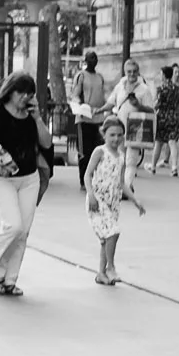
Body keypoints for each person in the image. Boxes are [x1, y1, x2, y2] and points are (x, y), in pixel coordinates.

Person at [0, 71, 52, 298]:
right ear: (11, 92)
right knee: (13, 226)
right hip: (3, 180)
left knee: (24, 232)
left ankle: (10, 280)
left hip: (29, 179)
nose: (25, 98)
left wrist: (38, 117)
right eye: (21, 93)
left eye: (29, 94)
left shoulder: (31, 117)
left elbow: (46, 143)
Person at [84, 112, 146, 284]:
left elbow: (121, 183)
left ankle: (101, 273)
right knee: (113, 232)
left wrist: (135, 200)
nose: (116, 138)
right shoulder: (100, 152)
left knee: (106, 238)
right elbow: (87, 175)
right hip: (97, 200)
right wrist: (91, 195)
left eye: (119, 135)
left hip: (113, 202)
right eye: (112, 135)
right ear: (103, 134)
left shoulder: (121, 156)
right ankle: (110, 266)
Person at [70, 51, 110, 187]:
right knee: (84, 152)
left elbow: (103, 95)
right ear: (86, 60)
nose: (94, 60)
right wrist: (81, 105)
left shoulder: (100, 77)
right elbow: (75, 94)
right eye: (91, 58)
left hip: (98, 118)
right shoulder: (81, 76)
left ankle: (95, 178)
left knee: (98, 150)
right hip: (84, 118)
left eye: (95, 58)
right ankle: (83, 180)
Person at [153, 65, 179, 175]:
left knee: (158, 142)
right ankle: (174, 167)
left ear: (163, 75)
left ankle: (153, 166)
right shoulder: (178, 90)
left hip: (162, 117)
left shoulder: (160, 89)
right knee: (172, 143)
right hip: (173, 116)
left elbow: (156, 104)